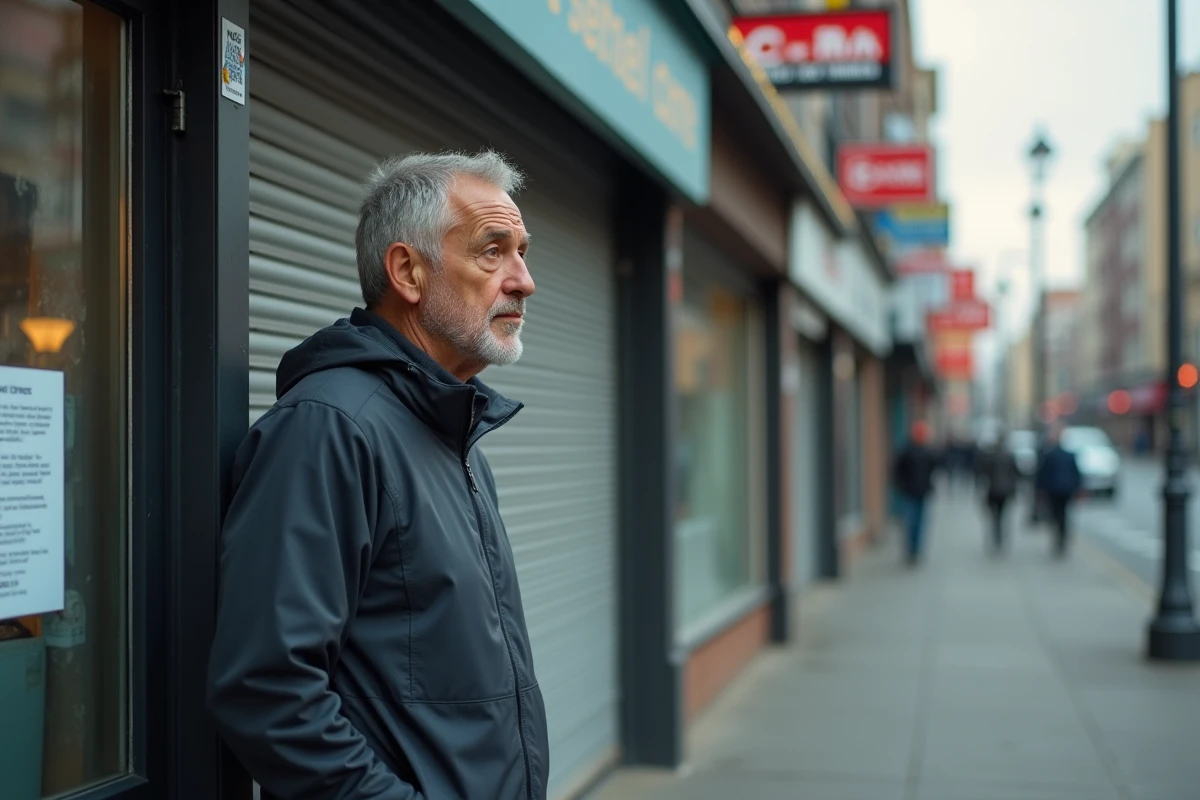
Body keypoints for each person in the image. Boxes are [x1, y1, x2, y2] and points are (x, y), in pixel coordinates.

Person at [207, 151, 548, 800]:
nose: (524, 280)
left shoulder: (457, 436)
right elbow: (267, 692)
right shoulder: (329, 428)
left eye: (524, 252)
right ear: (407, 271)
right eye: (493, 251)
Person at [893, 420, 939, 565]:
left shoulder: (927, 451)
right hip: (909, 492)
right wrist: (902, 486)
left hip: (922, 492)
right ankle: (910, 550)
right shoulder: (907, 451)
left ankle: (916, 550)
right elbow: (897, 471)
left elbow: (933, 469)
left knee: (920, 522)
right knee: (910, 522)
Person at [1036, 425, 1083, 557]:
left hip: (1054, 490)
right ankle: (1062, 535)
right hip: (1066, 490)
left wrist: (1040, 490)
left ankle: (1059, 536)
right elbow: (1077, 474)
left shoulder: (1050, 455)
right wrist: (1079, 488)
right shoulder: (1069, 455)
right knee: (1063, 514)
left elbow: (1042, 475)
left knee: (1056, 514)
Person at [977, 431, 1020, 554]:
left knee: (994, 516)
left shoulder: (991, 456)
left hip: (993, 490)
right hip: (1005, 491)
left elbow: (984, 474)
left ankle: (996, 535)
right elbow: (1016, 474)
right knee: (1002, 515)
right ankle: (999, 537)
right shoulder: (1010, 456)